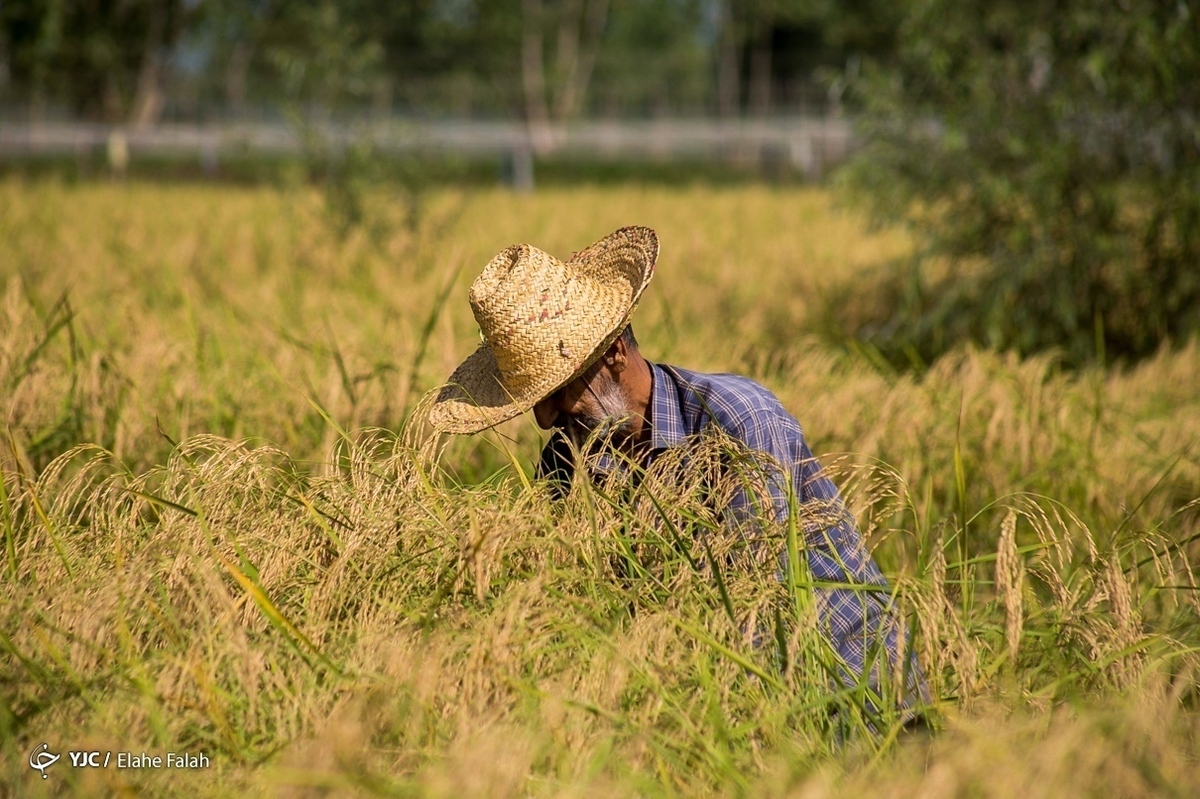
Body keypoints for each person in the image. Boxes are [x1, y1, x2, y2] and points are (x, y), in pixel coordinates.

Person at [429, 226, 927, 715]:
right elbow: (566, 597)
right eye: (535, 400)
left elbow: (755, 602)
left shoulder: (736, 420)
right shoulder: (568, 459)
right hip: (711, 694)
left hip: (851, 686)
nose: (543, 418)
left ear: (614, 353)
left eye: (558, 390)